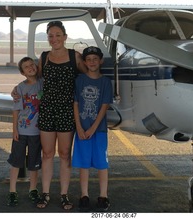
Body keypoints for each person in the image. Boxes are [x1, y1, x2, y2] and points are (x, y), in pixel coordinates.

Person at [10, 21, 86, 209]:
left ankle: (64, 194)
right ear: (48, 38)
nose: (54, 39)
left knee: (65, 154)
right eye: (51, 35)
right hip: (47, 111)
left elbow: (86, 77)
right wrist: (17, 88)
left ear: (65, 37)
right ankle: (45, 193)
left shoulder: (74, 56)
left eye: (58, 35)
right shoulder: (44, 57)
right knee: (47, 154)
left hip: (66, 112)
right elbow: (34, 79)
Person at [72, 46, 113, 212]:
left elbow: (103, 107)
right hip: (82, 129)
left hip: (99, 130)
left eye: (95, 59)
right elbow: (75, 104)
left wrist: (93, 128)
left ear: (101, 61)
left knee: (102, 164)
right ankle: (84, 195)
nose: (92, 62)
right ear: (84, 62)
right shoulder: (80, 80)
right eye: (88, 59)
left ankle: (103, 196)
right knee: (84, 164)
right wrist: (79, 127)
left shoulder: (105, 82)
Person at [7, 57, 43, 206]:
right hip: (22, 131)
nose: (30, 68)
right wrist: (14, 129)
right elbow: (16, 110)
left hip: (37, 132)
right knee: (16, 162)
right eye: (26, 67)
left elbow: (43, 60)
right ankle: (12, 191)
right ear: (23, 73)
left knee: (34, 164)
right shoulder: (20, 88)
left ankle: (33, 189)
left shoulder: (43, 83)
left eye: (32, 65)